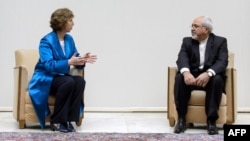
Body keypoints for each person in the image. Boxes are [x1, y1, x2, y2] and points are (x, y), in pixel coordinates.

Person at [28, 8, 97, 133]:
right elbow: (48, 65)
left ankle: (68, 120)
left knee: (79, 81)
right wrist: (69, 62)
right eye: (70, 20)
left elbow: (74, 57)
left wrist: (82, 60)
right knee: (68, 81)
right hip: (45, 77)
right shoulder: (46, 41)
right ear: (62, 22)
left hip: (61, 77)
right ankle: (57, 121)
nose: (73, 23)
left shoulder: (69, 39)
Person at [173, 16, 228, 135]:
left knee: (217, 79)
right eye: (192, 26)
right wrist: (186, 73)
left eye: (196, 26)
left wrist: (208, 74)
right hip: (191, 80)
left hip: (210, 80)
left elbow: (222, 62)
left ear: (206, 29)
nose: (192, 29)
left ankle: (211, 121)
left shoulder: (220, 41)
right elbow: (181, 58)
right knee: (179, 77)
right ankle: (181, 119)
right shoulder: (187, 41)